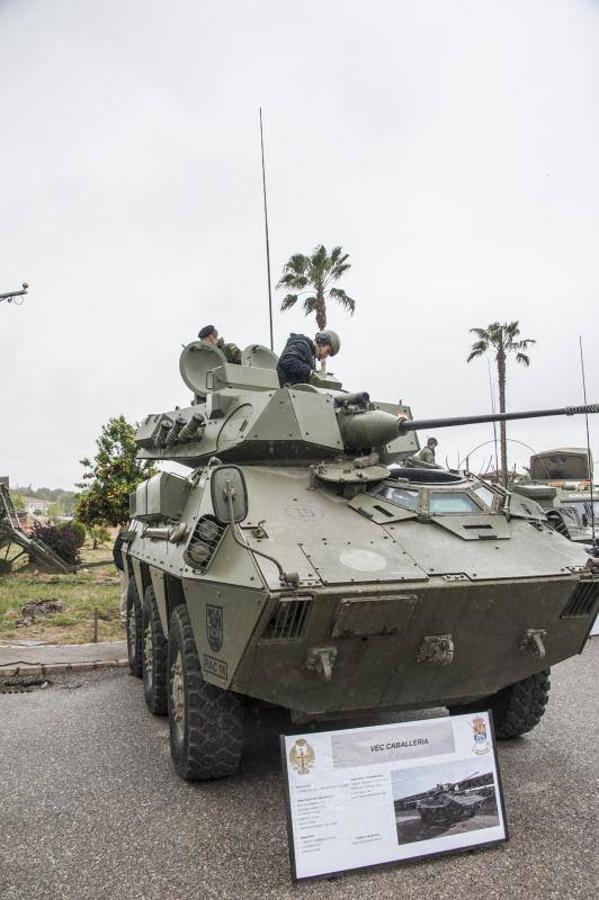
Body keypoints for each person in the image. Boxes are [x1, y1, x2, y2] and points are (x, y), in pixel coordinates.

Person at [276, 330, 341, 387]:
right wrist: (310, 372)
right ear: (323, 341)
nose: (326, 356)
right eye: (328, 351)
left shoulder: (309, 353)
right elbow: (287, 361)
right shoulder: (302, 345)